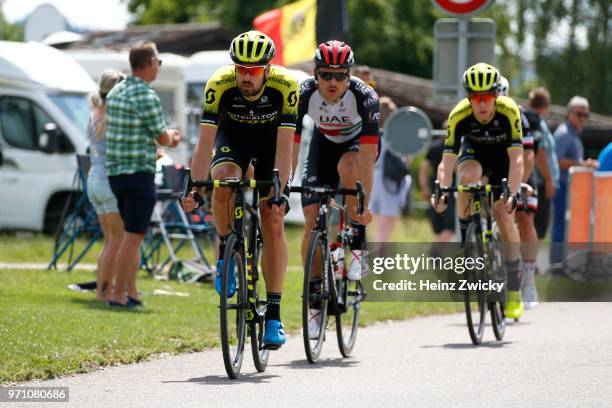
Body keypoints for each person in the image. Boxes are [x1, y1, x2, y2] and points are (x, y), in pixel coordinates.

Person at [182, 31, 297, 349]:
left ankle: (273, 315)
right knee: (223, 184)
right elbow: (205, 144)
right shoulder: (218, 85)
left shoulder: (286, 88)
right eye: (240, 68)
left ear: (267, 70)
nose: (245, 75)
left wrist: (281, 189)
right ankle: (225, 252)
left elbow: (286, 149)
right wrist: (195, 186)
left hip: (271, 146)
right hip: (233, 140)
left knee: (273, 218)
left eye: (253, 69)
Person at [291, 40, 379, 338]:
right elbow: (289, 143)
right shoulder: (303, 94)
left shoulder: (365, 97)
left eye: (340, 75)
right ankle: (315, 302)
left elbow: (368, 157)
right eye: (326, 74)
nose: (332, 81)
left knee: (350, 168)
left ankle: (356, 240)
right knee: (311, 221)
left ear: (349, 75)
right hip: (322, 147)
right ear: (315, 73)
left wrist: (365, 205)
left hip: (355, 150)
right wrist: (284, 181)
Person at [432, 63, 525, 319]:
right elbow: (447, 162)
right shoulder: (459, 115)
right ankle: (467, 241)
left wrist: (513, 192)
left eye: (486, 98)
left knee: (502, 212)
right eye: (475, 98)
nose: (482, 104)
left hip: (504, 159)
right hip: (476, 154)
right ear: (468, 97)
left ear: (496, 95)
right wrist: (440, 188)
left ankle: (515, 289)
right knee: (466, 177)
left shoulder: (509, 111)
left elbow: (518, 160)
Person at [106, 42, 181, 308]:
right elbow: (162, 135)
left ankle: (132, 291)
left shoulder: (116, 91)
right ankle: (118, 294)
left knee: (130, 234)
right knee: (133, 236)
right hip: (139, 173)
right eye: (158, 62)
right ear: (150, 63)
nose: (158, 68)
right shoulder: (147, 97)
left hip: (115, 173)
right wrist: (172, 138)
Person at [499, 78, 555, 309]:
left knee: (524, 219)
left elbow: (534, 154)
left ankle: (529, 278)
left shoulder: (525, 117)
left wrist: (543, 179)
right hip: (496, 174)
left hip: (523, 173)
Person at [86, 69, 125, 302]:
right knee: (117, 242)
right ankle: (104, 293)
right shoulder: (112, 115)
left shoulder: (94, 112)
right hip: (108, 182)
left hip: (93, 179)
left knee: (109, 241)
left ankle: (103, 289)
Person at [550, 96, 598, 267]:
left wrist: (583, 164)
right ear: (569, 113)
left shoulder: (573, 133)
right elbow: (557, 160)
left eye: (586, 115)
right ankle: (556, 264)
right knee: (560, 225)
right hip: (562, 185)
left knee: (565, 224)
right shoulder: (564, 134)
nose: (583, 118)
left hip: (569, 187)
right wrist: (583, 164)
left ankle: (561, 262)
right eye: (579, 114)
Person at [369, 96, 411, 242]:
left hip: (373, 176)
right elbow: (406, 158)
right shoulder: (395, 135)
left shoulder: (372, 133)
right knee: (386, 228)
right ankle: (381, 262)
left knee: (378, 226)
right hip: (389, 180)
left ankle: (376, 261)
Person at [525, 88, 559, 240]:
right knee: (537, 227)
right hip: (539, 182)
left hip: (536, 181)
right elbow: (539, 153)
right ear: (546, 105)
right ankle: (530, 262)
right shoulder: (537, 123)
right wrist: (549, 179)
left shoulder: (527, 121)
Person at [419, 121, 456, 244]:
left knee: (440, 227)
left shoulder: (433, 147)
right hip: (451, 190)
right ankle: (435, 253)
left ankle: (437, 256)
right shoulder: (456, 149)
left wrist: (424, 188)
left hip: (435, 188)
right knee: (451, 227)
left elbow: (423, 168)